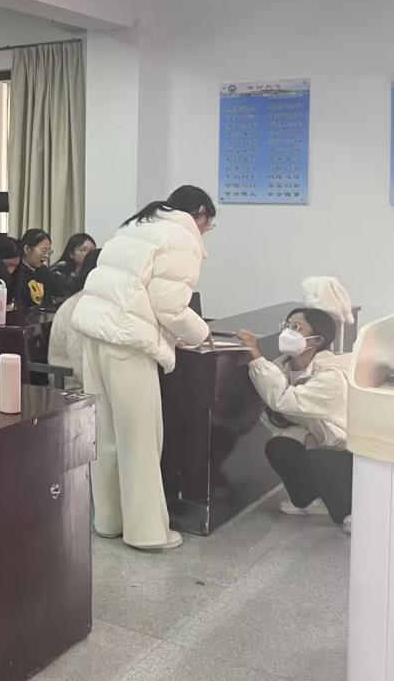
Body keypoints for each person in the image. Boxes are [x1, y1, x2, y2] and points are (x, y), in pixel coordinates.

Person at [73, 185, 216, 551]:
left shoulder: (135, 226)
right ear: (200, 213)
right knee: (140, 438)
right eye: (208, 225)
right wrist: (202, 333)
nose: (205, 232)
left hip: (95, 335)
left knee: (106, 435)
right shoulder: (180, 237)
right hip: (128, 342)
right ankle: (147, 532)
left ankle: (109, 520)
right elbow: (169, 306)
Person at [237, 308, 353, 531]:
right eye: (287, 325)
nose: (288, 332)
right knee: (280, 447)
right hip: (322, 442)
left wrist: (256, 356)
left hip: (347, 450)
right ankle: (310, 500)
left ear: (317, 340)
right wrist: (306, 438)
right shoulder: (284, 367)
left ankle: (351, 510)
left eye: (297, 327)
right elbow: (278, 416)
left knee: (322, 459)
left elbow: (283, 400)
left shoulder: (331, 376)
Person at [46, 248, 100, 388]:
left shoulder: (101, 302)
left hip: (95, 383)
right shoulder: (78, 306)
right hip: (74, 386)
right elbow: (78, 363)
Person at [16, 228, 56, 308]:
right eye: (43, 251)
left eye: (49, 252)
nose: (46, 256)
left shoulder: (44, 272)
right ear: (26, 249)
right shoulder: (17, 272)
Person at [50, 233, 96, 298]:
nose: (89, 253)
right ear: (71, 254)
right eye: (83, 250)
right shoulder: (59, 275)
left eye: (92, 250)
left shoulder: (96, 274)